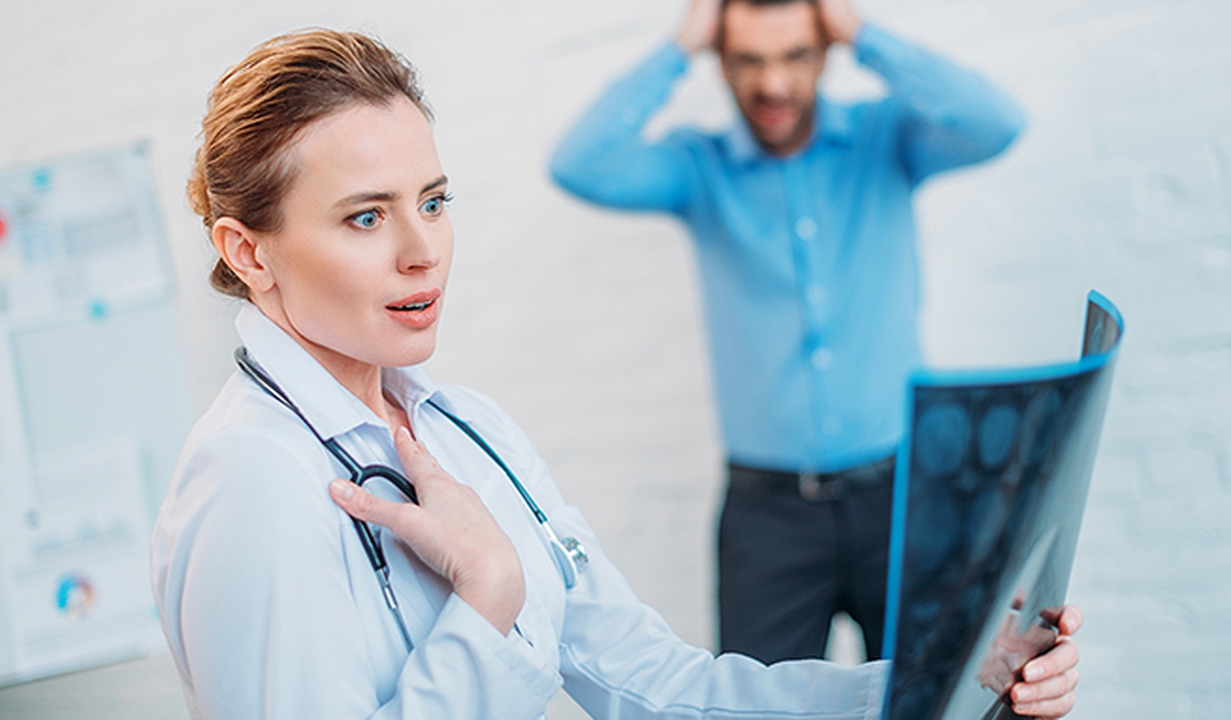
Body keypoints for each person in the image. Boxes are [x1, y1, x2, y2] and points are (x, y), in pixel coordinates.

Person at [149, 28, 1080, 720]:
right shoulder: (254, 479)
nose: (422, 249)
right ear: (250, 252)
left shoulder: (464, 429)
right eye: (365, 217)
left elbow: (657, 686)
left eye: (433, 202)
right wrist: (487, 599)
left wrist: (949, 685)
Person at [549, 0, 1025, 664]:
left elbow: (997, 122)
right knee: (755, 705)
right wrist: (681, 45)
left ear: (825, 52)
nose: (772, 84)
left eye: (795, 55)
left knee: (934, 697)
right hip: (767, 518)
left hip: (904, 494)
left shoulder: (885, 138)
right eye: (748, 60)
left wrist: (859, 31)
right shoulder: (699, 168)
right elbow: (578, 165)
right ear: (721, 61)